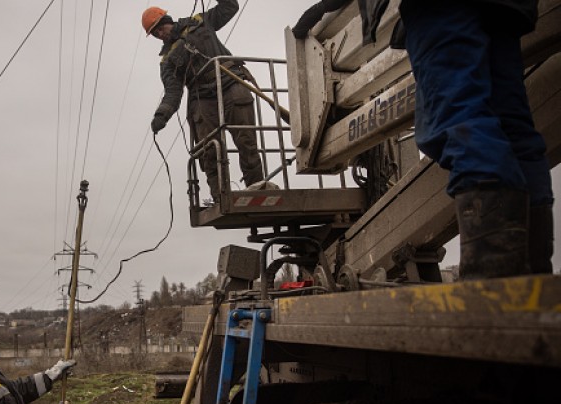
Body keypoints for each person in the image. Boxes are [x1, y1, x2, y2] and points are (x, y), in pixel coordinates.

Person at [293, 0, 554, 279]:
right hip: (508, 7)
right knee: (512, 126)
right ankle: (531, 274)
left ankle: (491, 280)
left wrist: (325, 7)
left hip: (440, 10)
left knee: (460, 120)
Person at [143, 0, 264, 203]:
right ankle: (221, 197)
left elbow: (229, 7)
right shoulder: (167, 61)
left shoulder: (199, 22)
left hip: (230, 81)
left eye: (159, 28)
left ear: (167, 20)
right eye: (155, 34)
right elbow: (173, 92)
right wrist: (161, 115)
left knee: (246, 140)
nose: (160, 35)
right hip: (202, 96)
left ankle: (258, 189)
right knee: (209, 150)